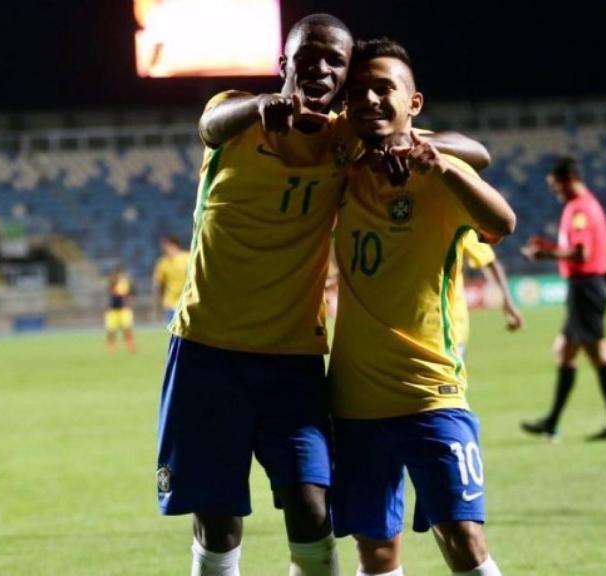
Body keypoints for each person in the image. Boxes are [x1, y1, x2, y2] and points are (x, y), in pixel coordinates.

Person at [155, 14, 491, 576]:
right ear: (284, 64)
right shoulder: (236, 113)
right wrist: (260, 107)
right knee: (217, 520)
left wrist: (414, 146)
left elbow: (474, 150)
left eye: (336, 61)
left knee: (313, 509)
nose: (321, 68)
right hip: (207, 349)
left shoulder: (345, 138)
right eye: (308, 56)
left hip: (293, 357)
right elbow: (210, 124)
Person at [329, 38, 515, 576]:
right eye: (357, 91)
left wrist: (445, 167)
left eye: (383, 87)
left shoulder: (441, 174)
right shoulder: (337, 172)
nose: (369, 99)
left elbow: (502, 224)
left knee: (464, 539)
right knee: (376, 552)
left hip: (431, 394)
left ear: (413, 102)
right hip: (355, 402)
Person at [519, 157, 606, 441]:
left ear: (569, 180)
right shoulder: (583, 205)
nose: (554, 191)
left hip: (586, 287)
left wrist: (545, 254)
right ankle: (553, 422)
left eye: (556, 186)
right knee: (565, 351)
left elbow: (581, 253)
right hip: (586, 287)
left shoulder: (580, 209)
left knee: (597, 353)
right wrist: (550, 247)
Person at [452, 233, 523, 359]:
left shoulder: (457, 229)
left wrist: (508, 304)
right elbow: (490, 263)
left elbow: (489, 262)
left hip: (450, 331)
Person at [152, 235, 189, 325]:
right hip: (170, 304)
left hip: (187, 302)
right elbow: (159, 285)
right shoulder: (162, 263)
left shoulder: (187, 258)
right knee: (175, 331)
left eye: (165, 246)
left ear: (173, 245)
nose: (163, 249)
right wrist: (158, 306)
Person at [105, 264, 136, 353]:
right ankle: (111, 347)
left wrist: (128, 299)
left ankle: (130, 346)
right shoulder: (112, 281)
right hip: (113, 309)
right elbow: (110, 291)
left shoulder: (126, 282)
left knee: (127, 329)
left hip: (124, 309)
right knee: (111, 330)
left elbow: (130, 293)